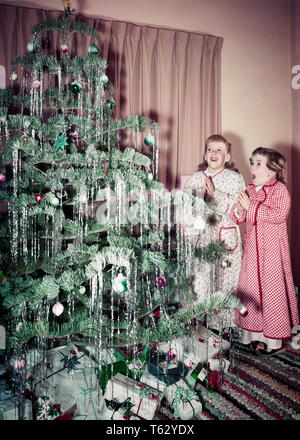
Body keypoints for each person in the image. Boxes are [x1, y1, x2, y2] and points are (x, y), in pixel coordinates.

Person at [231, 147, 299, 354]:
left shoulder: (280, 190)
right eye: (252, 162)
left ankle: (273, 343)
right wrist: (240, 209)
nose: (252, 166)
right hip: (252, 252)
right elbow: (238, 218)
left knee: (271, 294)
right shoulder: (250, 189)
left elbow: (278, 215)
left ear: (272, 170)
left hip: (271, 254)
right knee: (251, 292)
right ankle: (252, 337)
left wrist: (251, 206)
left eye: (258, 163)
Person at [184, 134, 245, 331]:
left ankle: (222, 329)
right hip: (200, 238)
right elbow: (186, 209)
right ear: (204, 154)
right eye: (210, 149)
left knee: (225, 283)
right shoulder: (195, 178)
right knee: (199, 281)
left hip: (224, 238)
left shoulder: (235, 179)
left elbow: (238, 211)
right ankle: (196, 324)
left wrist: (214, 195)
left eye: (219, 150)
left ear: (227, 157)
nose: (214, 153)